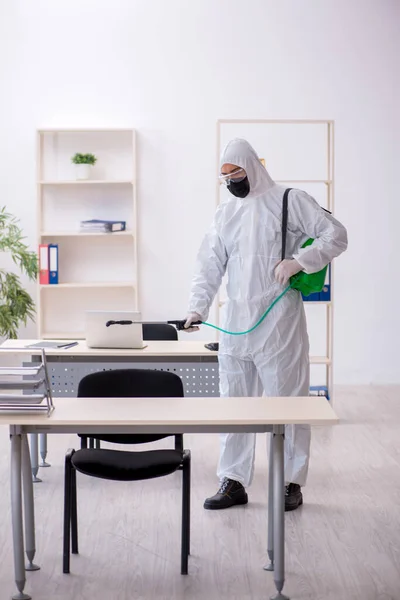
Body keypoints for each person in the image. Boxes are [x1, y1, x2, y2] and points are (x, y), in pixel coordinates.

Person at [184, 138, 348, 511]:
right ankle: (234, 481)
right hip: (237, 321)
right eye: (225, 176)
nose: (232, 181)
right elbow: (209, 264)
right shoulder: (225, 214)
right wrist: (197, 309)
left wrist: (300, 261)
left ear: (253, 167)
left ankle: (291, 482)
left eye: (237, 173)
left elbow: (336, 234)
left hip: (279, 320)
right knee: (234, 405)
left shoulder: (289, 199)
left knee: (288, 404)